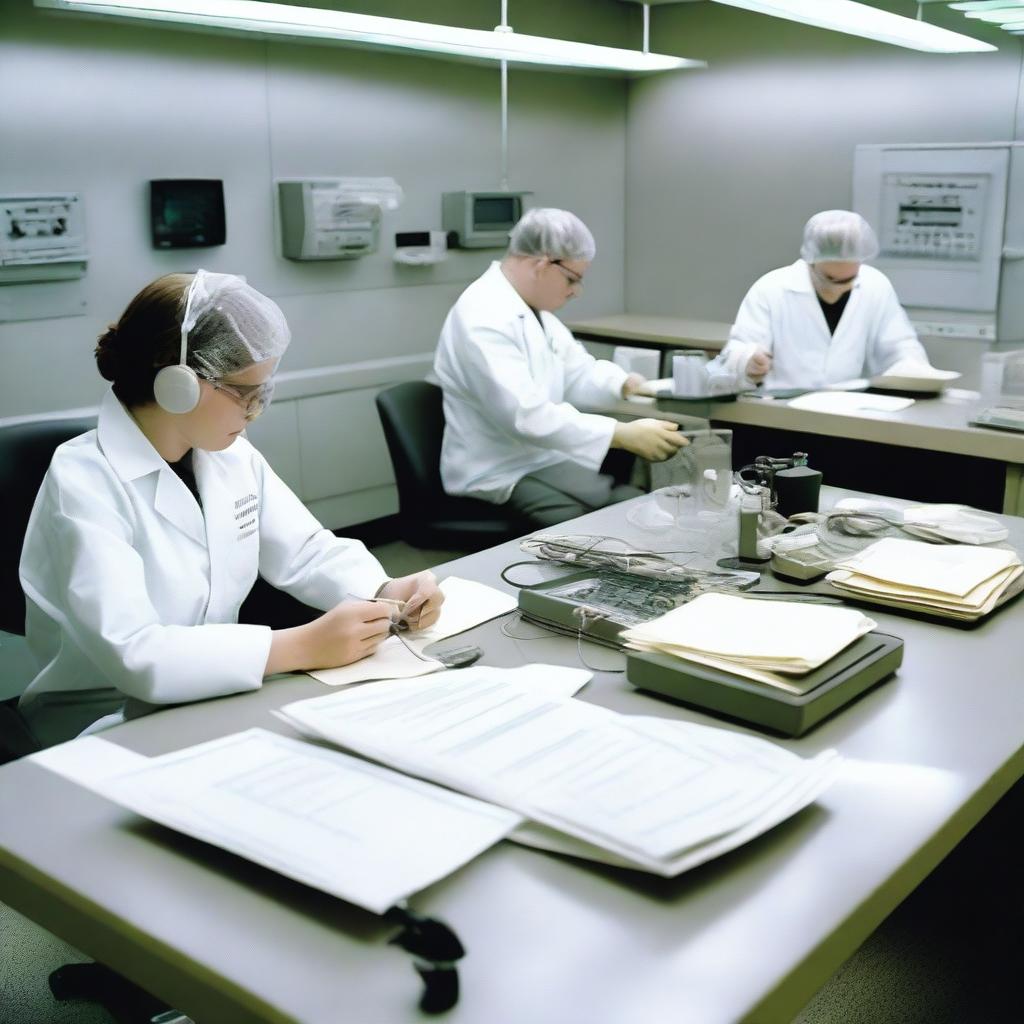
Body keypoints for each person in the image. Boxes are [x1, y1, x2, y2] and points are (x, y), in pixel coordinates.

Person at [19, 270, 443, 747]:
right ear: (177, 385)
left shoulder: (229, 455)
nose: (256, 410)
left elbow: (307, 551)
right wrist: (301, 645)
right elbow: (136, 653)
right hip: (101, 715)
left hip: (213, 692)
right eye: (245, 393)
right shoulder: (84, 479)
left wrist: (385, 590)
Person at [433, 208, 688, 529]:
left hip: (540, 457)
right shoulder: (483, 316)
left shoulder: (535, 314)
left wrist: (624, 383)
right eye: (572, 279)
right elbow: (526, 416)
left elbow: (576, 371)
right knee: (579, 528)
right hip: (496, 469)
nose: (575, 290)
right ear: (542, 263)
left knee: (631, 506)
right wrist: (620, 434)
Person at [707, 210, 931, 392]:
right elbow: (740, 348)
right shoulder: (772, 288)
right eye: (830, 279)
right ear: (810, 261)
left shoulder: (875, 285)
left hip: (851, 407)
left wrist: (913, 369)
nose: (839, 289)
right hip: (783, 408)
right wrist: (747, 361)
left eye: (850, 280)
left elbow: (900, 344)